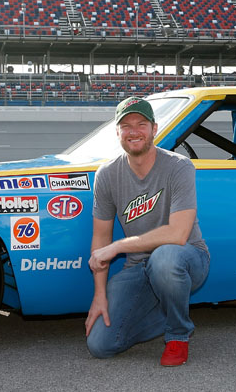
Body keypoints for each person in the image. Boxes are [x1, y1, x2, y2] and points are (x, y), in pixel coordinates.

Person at [85, 96, 210, 366]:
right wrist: (99, 295)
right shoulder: (107, 174)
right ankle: (171, 310)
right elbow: (101, 237)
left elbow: (178, 234)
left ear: (154, 129)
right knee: (101, 344)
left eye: (141, 124)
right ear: (117, 132)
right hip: (139, 266)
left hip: (186, 258)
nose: (134, 131)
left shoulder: (179, 166)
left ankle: (177, 334)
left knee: (165, 258)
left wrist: (118, 246)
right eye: (126, 126)